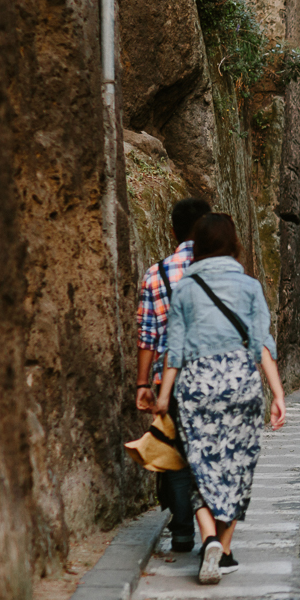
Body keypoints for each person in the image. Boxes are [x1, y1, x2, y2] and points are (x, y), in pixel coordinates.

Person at [154, 213, 286, 585]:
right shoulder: (249, 287)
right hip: (240, 384)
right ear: (232, 243)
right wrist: (277, 395)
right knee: (236, 467)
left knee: (200, 465)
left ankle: (209, 537)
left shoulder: (184, 288)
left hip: (196, 385)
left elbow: (174, 350)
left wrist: (164, 396)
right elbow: (262, 344)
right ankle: (224, 550)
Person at [135, 197, 212, 554]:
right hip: (215, 374)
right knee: (212, 452)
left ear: (172, 231)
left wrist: (142, 383)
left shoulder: (157, 274)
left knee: (177, 455)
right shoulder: (219, 271)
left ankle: (182, 532)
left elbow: (147, 337)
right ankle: (216, 531)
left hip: (172, 379)